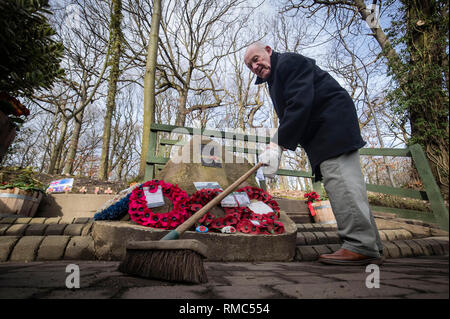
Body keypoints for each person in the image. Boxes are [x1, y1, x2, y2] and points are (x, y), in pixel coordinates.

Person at [244, 42, 383, 265]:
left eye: (256, 58)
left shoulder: (289, 62)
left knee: (340, 181)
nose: (255, 66)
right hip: (323, 130)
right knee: (348, 183)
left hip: (331, 126)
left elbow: (299, 103)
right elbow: (291, 111)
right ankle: (370, 244)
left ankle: (359, 245)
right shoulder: (275, 79)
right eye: (250, 65)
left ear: (269, 50)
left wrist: (276, 144)